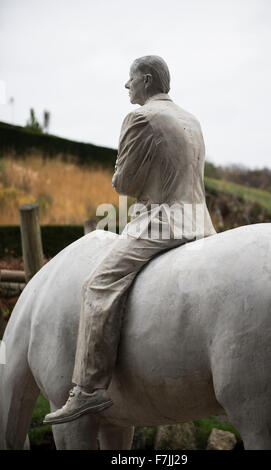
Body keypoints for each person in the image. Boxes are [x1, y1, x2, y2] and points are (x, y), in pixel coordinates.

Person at [43, 55, 216, 425]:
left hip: (164, 220)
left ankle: (87, 389)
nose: (126, 85)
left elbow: (124, 184)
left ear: (148, 79)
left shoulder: (140, 118)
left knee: (99, 284)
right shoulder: (191, 119)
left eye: (131, 79)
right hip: (201, 222)